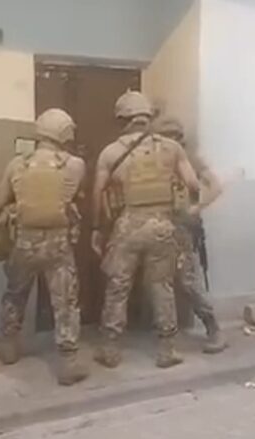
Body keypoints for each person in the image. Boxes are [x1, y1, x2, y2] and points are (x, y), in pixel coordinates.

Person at [92, 91, 201, 368]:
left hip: (128, 226)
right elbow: (193, 185)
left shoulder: (111, 152)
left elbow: (98, 193)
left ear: (122, 118)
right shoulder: (172, 149)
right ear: (147, 116)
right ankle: (167, 350)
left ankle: (110, 350)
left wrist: (96, 229)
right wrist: (186, 207)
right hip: (162, 226)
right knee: (162, 287)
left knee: (118, 287)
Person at [0, 108, 89, 386]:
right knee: (65, 302)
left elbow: (0, 201)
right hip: (57, 243)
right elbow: (77, 194)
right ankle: (68, 362)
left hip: (24, 241)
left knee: (15, 293)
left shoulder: (17, 164)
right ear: (64, 133)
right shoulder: (75, 165)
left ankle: (9, 346)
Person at [152, 115, 228, 354]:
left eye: (171, 137)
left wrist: (196, 208)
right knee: (159, 280)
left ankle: (213, 328)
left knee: (188, 282)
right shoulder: (154, 157)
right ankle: (165, 335)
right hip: (158, 225)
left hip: (182, 228)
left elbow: (215, 187)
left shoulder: (190, 159)